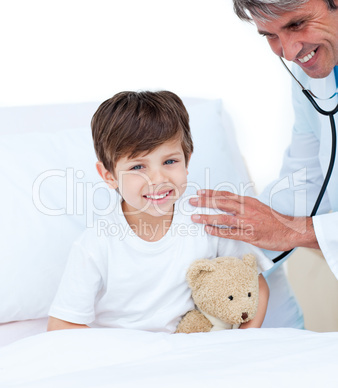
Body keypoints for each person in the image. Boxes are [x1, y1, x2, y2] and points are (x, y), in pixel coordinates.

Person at [47, 90, 271, 332]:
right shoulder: (96, 244)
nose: (158, 178)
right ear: (109, 176)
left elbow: (255, 285)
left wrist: (240, 341)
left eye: (169, 162)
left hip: (191, 351)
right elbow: (62, 324)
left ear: (187, 161)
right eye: (138, 166)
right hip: (126, 358)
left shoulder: (205, 222)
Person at [190, 0, 338, 279]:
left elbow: (284, 226)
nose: (289, 51)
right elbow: (303, 181)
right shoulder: (311, 80)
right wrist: (217, 267)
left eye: (297, 24)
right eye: (270, 35)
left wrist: (292, 231)